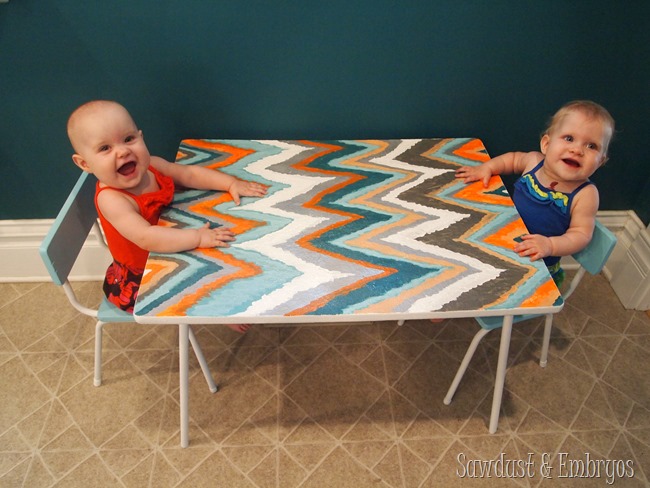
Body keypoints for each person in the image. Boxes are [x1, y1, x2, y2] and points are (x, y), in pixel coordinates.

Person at [67, 100, 267, 332]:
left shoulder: (151, 166)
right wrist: (197, 238)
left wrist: (230, 183)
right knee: (202, 271)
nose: (122, 151)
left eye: (128, 139)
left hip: (170, 243)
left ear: (141, 137)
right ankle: (212, 310)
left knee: (233, 246)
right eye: (105, 148)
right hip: (145, 277)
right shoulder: (112, 199)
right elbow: (146, 237)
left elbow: (188, 174)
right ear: (84, 163)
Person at [455, 100, 615, 287]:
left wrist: (550, 245)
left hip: (537, 264)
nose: (577, 150)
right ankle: (451, 294)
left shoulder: (585, 194)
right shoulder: (533, 162)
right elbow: (511, 160)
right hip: (502, 239)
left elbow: (581, 235)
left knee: (488, 278)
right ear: (547, 144)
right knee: (465, 246)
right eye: (569, 138)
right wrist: (487, 167)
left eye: (591, 146)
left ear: (600, 161)